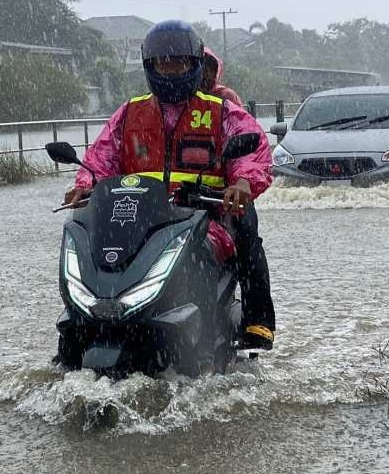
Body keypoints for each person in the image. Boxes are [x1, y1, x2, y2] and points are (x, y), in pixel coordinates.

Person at [62, 20, 276, 350]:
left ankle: (247, 325)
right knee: (90, 248)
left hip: (204, 217)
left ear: (195, 64)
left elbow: (253, 148)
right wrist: (85, 183)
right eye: (164, 63)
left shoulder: (220, 112)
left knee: (239, 236)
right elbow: (102, 155)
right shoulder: (130, 113)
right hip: (138, 219)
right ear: (150, 66)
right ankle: (83, 323)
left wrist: (244, 182)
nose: (171, 70)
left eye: (179, 63)